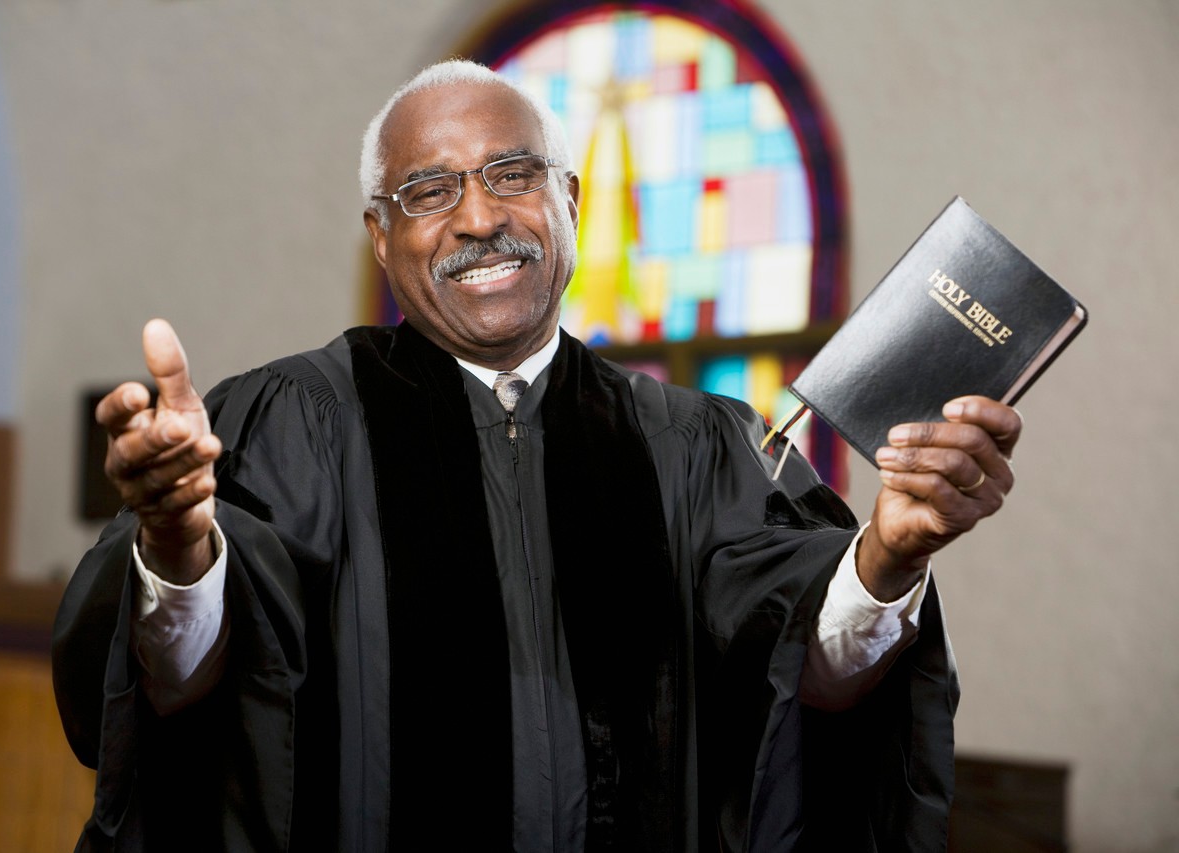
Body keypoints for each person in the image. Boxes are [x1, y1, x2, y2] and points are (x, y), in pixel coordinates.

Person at [53, 61, 1021, 852]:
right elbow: (183, 693)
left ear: (568, 198)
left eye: (511, 174)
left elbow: (799, 683)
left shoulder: (694, 447)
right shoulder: (288, 423)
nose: (478, 219)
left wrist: (888, 556)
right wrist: (179, 544)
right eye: (427, 191)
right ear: (381, 239)